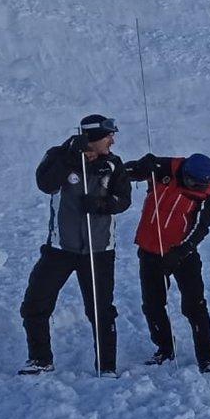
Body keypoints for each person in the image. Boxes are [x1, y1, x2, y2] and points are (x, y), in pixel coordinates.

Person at [19, 115, 131, 375]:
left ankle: (106, 367)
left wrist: (103, 204)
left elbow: (124, 200)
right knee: (35, 304)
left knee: (101, 311)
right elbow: (45, 184)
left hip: (99, 250)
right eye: (108, 136)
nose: (112, 141)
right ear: (92, 138)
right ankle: (40, 359)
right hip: (60, 249)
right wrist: (70, 156)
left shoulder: (113, 164)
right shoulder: (59, 156)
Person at [124, 152, 210, 372]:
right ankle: (165, 348)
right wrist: (140, 165)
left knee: (195, 305)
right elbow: (129, 173)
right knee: (153, 304)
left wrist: (181, 251)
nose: (194, 185)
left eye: (199, 183)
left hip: (183, 254)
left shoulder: (209, 193)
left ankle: (207, 356)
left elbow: (201, 227)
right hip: (149, 249)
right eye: (191, 181)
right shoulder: (165, 167)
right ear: (184, 172)